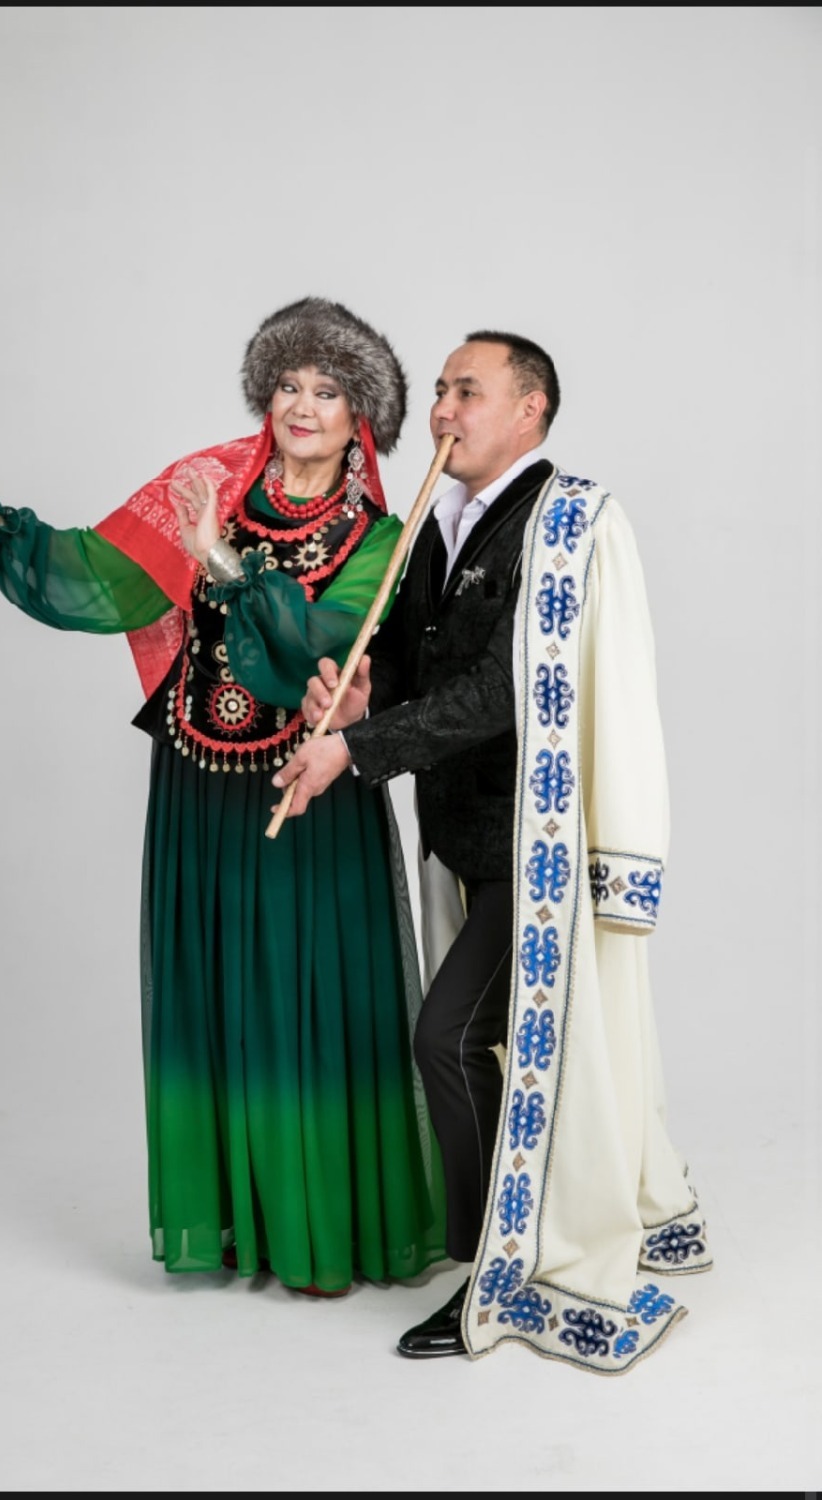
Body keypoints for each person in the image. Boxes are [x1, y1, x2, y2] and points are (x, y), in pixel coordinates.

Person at [0, 296, 446, 1298]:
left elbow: (312, 651)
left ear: (362, 421)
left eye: (327, 391)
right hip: (199, 790)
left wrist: (222, 560)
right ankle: (242, 1223)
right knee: (217, 998)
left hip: (307, 796)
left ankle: (320, 1234)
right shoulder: (209, 487)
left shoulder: (381, 539)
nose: (301, 406)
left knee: (303, 1001)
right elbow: (108, 578)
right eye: (287, 384)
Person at [272, 330, 713, 1370]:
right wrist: (365, 689)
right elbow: (414, 656)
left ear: (529, 409)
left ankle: (496, 1269)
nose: (441, 410)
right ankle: (510, 1234)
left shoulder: (569, 524)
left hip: (540, 843)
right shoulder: (440, 520)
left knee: (448, 1039)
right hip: (465, 834)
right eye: (439, 390)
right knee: (506, 1045)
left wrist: (354, 750)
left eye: (466, 391)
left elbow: (506, 688)